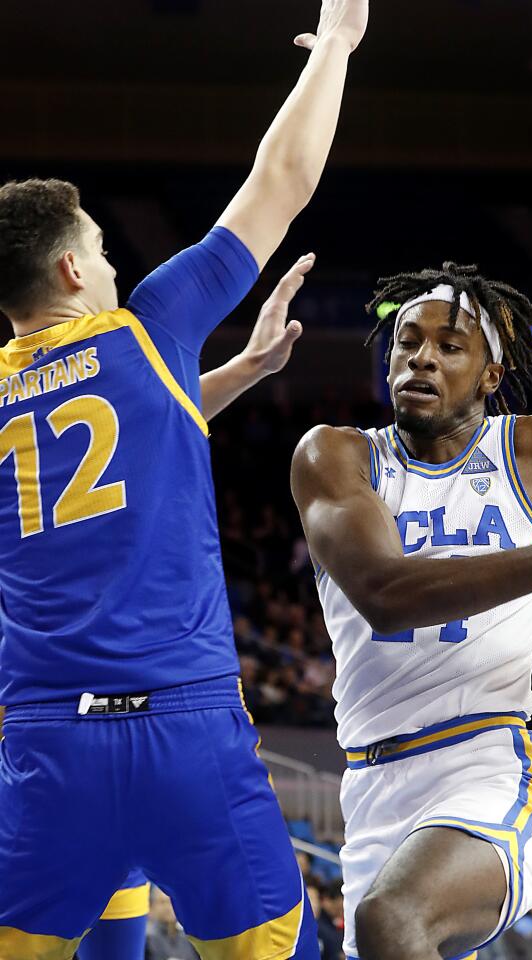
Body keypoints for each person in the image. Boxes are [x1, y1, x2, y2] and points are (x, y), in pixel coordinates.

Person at [0, 3, 369, 959]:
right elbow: (279, 181)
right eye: (109, 255)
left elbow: (91, 451)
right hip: (184, 725)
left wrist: (238, 376)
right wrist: (334, 45)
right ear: (76, 267)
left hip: (47, 743)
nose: (123, 269)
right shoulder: (148, 326)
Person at [290, 261, 532, 960]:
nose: (421, 357)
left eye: (450, 346)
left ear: (491, 376)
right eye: (407, 342)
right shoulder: (335, 456)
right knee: (387, 924)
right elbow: (384, 595)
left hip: (489, 763)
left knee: (393, 920)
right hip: (371, 787)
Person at [71, 255, 320, 960]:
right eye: (96, 248)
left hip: (81, 734)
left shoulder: (54, 406)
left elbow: (141, 429)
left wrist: (246, 369)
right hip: (94, 722)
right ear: (66, 268)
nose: (110, 261)